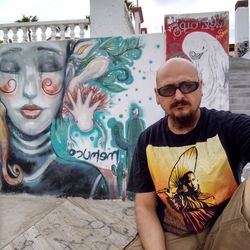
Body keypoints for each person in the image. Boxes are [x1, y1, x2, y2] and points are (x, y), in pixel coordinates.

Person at [125, 57, 250, 249]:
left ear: (200, 86)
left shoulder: (230, 126)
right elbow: (145, 207)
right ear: (157, 96)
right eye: (167, 90)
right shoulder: (147, 140)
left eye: (187, 85)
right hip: (176, 236)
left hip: (227, 228)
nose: (178, 96)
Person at [0, 40, 109, 198]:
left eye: (48, 67)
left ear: (68, 74)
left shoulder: (89, 180)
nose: (29, 91)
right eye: (9, 69)